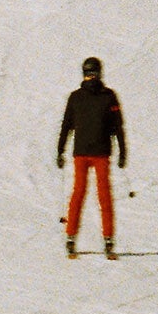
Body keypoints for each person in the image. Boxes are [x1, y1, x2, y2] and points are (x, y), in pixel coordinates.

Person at [57, 57, 126, 259]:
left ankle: (108, 238)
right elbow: (67, 126)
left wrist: (123, 151)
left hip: (100, 153)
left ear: (99, 74)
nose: (91, 78)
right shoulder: (76, 97)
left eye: (93, 74)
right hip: (83, 154)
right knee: (79, 193)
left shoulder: (108, 97)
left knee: (103, 195)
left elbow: (117, 127)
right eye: (88, 74)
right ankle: (71, 236)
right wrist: (60, 150)